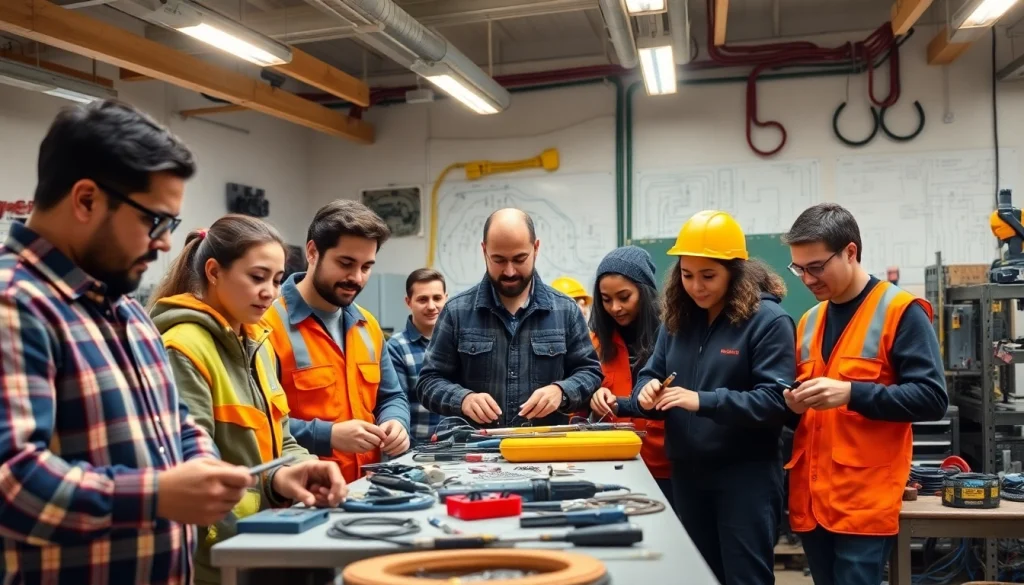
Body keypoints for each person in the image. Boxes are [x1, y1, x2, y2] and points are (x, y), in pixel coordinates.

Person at [0, 100, 253, 585]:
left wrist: (203, 469)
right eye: (155, 221)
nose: (163, 244)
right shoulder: (15, 304)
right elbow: (12, 480)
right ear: (87, 199)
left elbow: (174, 423)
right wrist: (156, 495)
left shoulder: (125, 308)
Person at [149, 215, 349, 585]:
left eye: (276, 280)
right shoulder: (183, 347)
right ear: (213, 271)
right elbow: (196, 467)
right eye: (257, 277)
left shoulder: (257, 344)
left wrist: (296, 471)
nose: (270, 292)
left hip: (262, 539)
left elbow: (281, 439)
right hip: (213, 556)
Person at [781, 203, 948, 585]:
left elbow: (930, 397)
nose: (806, 279)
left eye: (816, 267)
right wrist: (792, 407)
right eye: (799, 268)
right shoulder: (810, 321)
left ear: (851, 252)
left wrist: (851, 393)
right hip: (811, 499)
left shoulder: (900, 311)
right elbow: (807, 412)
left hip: (863, 502)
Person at [632, 210, 796, 585]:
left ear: (735, 272)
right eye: (687, 275)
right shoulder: (678, 320)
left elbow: (775, 402)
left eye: (708, 276)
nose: (696, 287)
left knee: (744, 578)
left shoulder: (768, 322)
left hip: (745, 476)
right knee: (698, 576)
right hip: (688, 474)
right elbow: (650, 372)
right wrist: (646, 391)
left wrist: (702, 401)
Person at [263, 200, 411, 483]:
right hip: (302, 498)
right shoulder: (266, 325)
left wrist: (396, 422)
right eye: (345, 263)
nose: (356, 278)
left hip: (367, 490)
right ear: (312, 252)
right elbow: (259, 423)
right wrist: (327, 436)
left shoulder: (367, 325)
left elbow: (392, 396)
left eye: (366, 267)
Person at [417, 208, 603, 427]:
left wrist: (561, 392)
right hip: (475, 454)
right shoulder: (456, 312)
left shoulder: (566, 311)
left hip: (543, 452)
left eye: (519, 258)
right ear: (484, 250)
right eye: (498, 260)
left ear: (536, 248)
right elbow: (428, 382)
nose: (510, 271)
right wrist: (463, 399)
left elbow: (590, 373)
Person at [586, 246, 672, 507]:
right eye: (606, 299)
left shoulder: (672, 337)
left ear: (645, 292)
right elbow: (581, 393)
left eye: (624, 297)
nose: (615, 307)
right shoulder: (596, 343)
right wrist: (593, 396)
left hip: (668, 466)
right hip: (614, 464)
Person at [385, 268, 448, 445]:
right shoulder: (396, 348)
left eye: (437, 298)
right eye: (422, 299)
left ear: (446, 298)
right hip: (417, 452)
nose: (431, 306)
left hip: (457, 449)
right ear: (408, 302)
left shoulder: (459, 343)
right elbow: (397, 404)